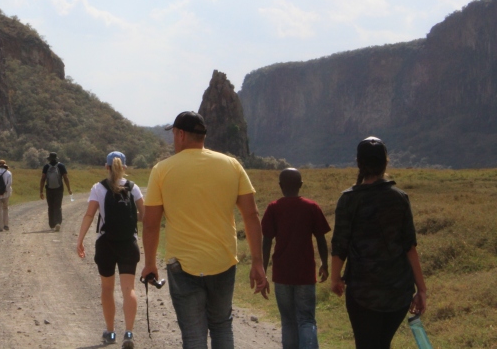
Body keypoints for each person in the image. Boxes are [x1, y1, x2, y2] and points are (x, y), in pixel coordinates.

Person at [141, 111, 269, 349]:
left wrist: (150, 262)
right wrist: (258, 262)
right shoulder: (232, 165)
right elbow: (251, 215)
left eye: (173, 135)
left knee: (193, 335)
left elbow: (150, 223)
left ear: (180, 135)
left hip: (182, 265)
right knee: (221, 325)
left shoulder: (161, 170)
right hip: (222, 261)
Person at [330, 137, 428, 348]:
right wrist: (421, 290)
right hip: (398, 294)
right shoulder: (400, 198)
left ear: (359, 163)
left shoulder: (348, 200)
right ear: (386, 162)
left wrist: (335, 278)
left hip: (362, 293)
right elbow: (410, 247)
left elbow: (340, 246)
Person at [77, 151, 145, 348]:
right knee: (128, 289)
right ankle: (129, 334)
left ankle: (111, 333)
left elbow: (90, 215)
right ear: (124, 167)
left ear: (106, 167)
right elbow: (144, 215)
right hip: (128, 244)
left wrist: (80, 240)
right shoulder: (133, 188)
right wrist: (130, 218)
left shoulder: (98, 188)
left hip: (105, 244)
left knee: (107, 289)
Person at [261, 168, 331, 349]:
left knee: (288, 321)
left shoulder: (273, 208)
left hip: (282, 274)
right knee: (306, 319)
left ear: (280, 186)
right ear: (300, 185)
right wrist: (324, 263)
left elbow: (266, 242)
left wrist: (262, 270)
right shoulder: (311, 207)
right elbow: (321, 239)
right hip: (305, 273)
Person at [39, 152, 72, 231]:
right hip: (59, 189)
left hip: (49, 190)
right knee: (58, 206)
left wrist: (41, 191)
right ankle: (58, 223)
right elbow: (65, 178)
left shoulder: (46, 166)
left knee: (50, 207)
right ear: (56, 158)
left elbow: (43, 179)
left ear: (49, 159)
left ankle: (52, 224)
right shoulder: (61, 166)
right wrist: (69, 189)